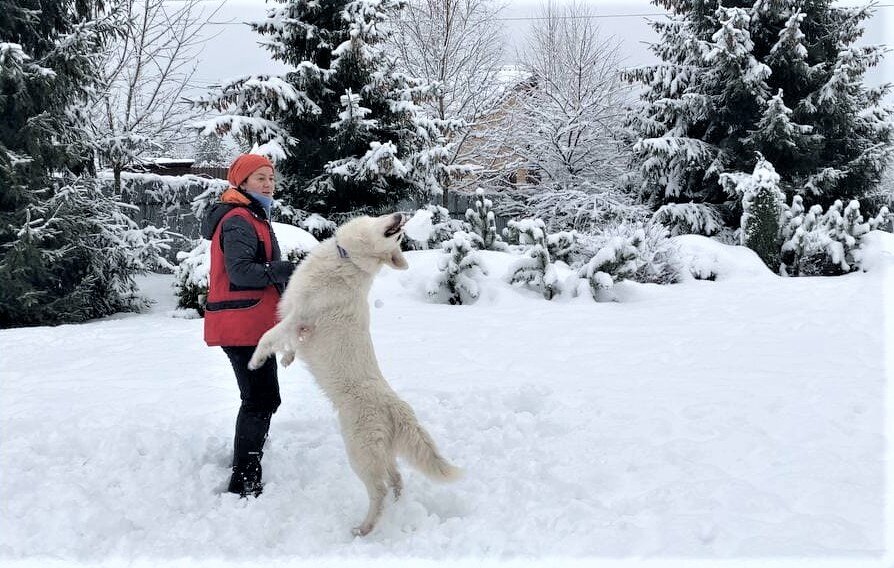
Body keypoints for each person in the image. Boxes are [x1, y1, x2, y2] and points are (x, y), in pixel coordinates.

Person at [200, 153, 295, 498]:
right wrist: (286, 269)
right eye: (260, 178)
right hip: (242, 324)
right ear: (241, 182)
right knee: (260, 400)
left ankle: (247, 459)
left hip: (251, 322)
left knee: (262, 398)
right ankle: (244, 481)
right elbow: (241, 272)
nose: (268, 184)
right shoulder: (239, 218)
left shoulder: (253, 215)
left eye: (271, 178)